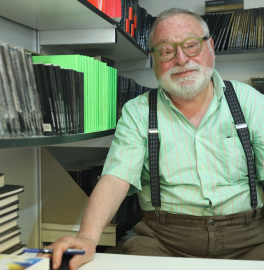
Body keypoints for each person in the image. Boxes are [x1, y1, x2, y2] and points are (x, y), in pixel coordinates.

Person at [47, 7, 264, 270]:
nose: (181, 59)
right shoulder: (137, 111)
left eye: (191, 46)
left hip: (251, 239)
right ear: (154, 60)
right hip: (163, 242)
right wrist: (87, 237)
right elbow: (116, 179)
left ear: (211, 47)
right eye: (166, 50)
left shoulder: (249, 101)